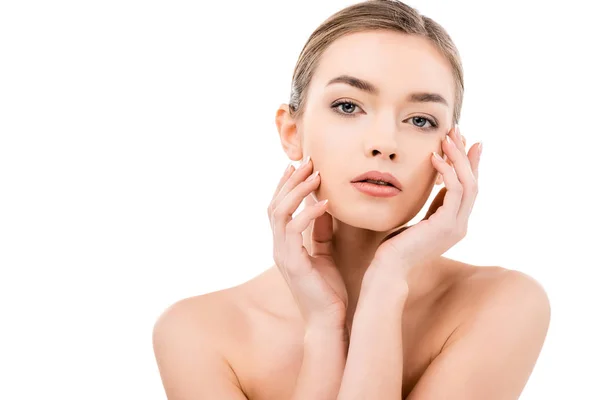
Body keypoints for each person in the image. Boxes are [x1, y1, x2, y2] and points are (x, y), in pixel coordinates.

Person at [152, 1, 551, 398]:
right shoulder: (196, 334)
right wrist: (324, 329)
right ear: (291, 132)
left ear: (451, 151)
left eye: (420, 119)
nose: (384, 144)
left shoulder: (503, 304)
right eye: (348, 106)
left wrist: (386, 281)